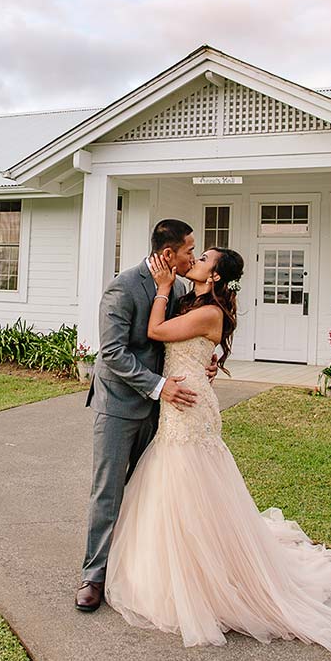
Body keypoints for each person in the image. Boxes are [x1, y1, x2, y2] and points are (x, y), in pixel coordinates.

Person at [102, 247, 331, 659]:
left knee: (187, 478)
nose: (196, 261)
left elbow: (157, 333)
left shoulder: (209, 311)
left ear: (216, 276)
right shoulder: (193, 299)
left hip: (188, 406)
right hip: (177, 397)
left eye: (203, 259)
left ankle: (205, 577)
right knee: (174, 482)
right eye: (195, 255)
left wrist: (163, 288)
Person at [75, 219, 218, 612]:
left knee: (147, 493)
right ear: (168, 253)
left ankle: (134, 569)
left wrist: (206, 363)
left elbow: (189, 336)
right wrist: (159, 386)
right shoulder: (123, 287)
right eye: (190, 249)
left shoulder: (182, 290)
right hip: (120, 406)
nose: (194, 255)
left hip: (164, 411)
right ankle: (94, 575)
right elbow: (114, 354)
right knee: (109, 491)